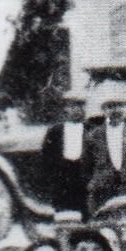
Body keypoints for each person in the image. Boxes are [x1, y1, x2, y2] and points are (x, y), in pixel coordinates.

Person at [85, 87, 126, 219]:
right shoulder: (93, 136)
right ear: (104, 110)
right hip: (102, 192)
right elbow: (86, 167)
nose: (115, 110)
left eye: (119, 106)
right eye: (110, 106)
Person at [39, 88, 90, 218]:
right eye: (72, 105)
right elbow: (46, 157)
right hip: (62, 180)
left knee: (84, 215)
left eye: (80, 105)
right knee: (63, 216)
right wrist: (54, 178)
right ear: (66, 108)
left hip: (83, 179)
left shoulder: (90, 130)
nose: (76, 110)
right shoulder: (55, 131)